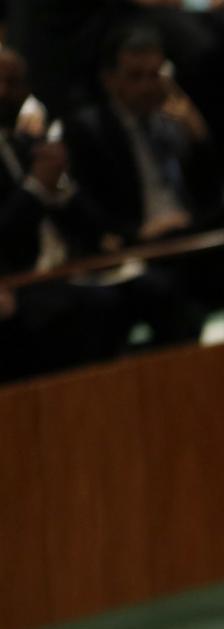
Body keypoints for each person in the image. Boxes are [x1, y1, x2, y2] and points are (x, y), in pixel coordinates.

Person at [65, 24, 224, 333]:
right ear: (110, 80)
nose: (147, 86)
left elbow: (212, 196)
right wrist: (138, 233)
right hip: (142, 244)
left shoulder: (170, 118)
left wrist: (199, 137)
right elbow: (87, 210)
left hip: (187, 232)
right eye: (135, 76)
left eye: (155, 75)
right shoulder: (89, 131)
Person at [0, 47, 131, 380]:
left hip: (70, 267)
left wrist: (62, 190)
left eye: (17, 82)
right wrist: (36, 189)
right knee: (91, 308)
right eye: (3, 82)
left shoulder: (27, 145)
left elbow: (94, 225)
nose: (10, 92)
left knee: (151, 288)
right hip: (20, 283)